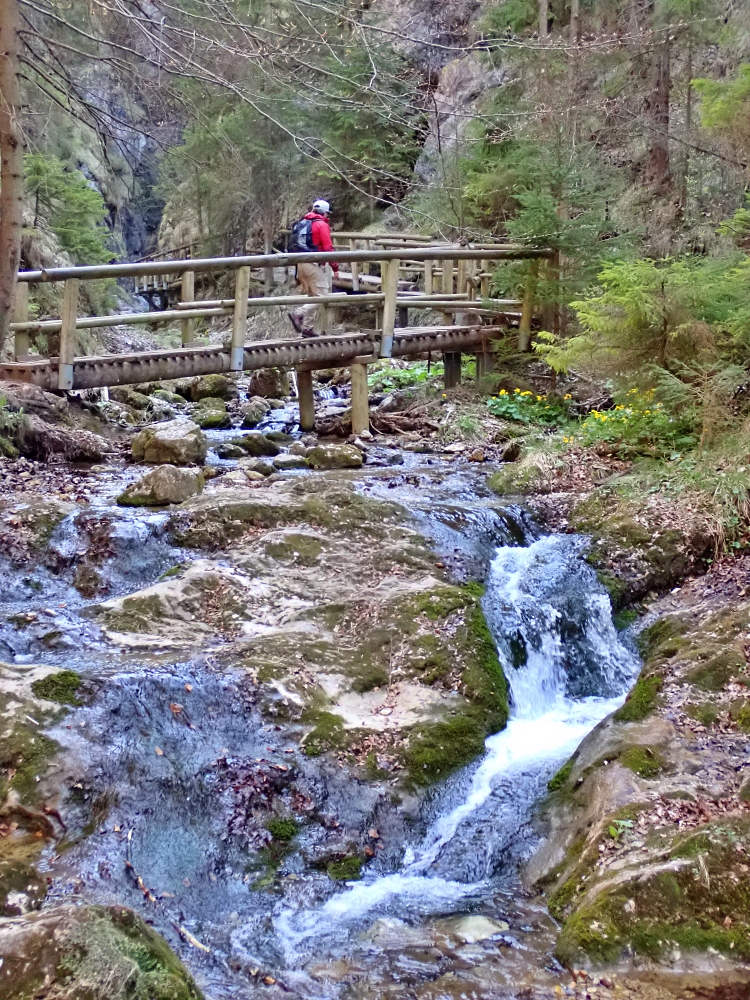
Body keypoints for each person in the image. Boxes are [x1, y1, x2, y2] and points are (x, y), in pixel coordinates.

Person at [288, 199, 339, 337]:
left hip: (299, 264)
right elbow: (328, 248)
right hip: (312, 264)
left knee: (312, 296)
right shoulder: (321, 225)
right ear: (324, 212)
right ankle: (298, 314)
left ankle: (307, 329)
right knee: (323, 296)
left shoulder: (303, 223)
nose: (327, 216)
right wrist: (335, 267)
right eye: (327, 213)